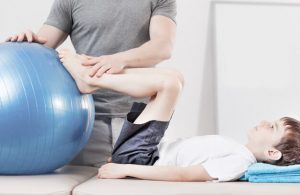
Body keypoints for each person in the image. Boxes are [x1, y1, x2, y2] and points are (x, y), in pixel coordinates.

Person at [59, 49, 300, 182]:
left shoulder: (238, 162)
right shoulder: (238, 151)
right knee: (175, 77)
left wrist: (125, 169)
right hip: (145, 151)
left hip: (141, 158)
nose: (266, 122)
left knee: (170, 85)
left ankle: (91, 79)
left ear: (272, 152)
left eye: (273, 128)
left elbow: (183, 174)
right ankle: (95, 74)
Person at [6, 0, 177, 167]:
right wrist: (25, 45)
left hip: (139, 122)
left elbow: (163, 46)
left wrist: (120, 60)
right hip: (86, 122)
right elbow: (42, 48)